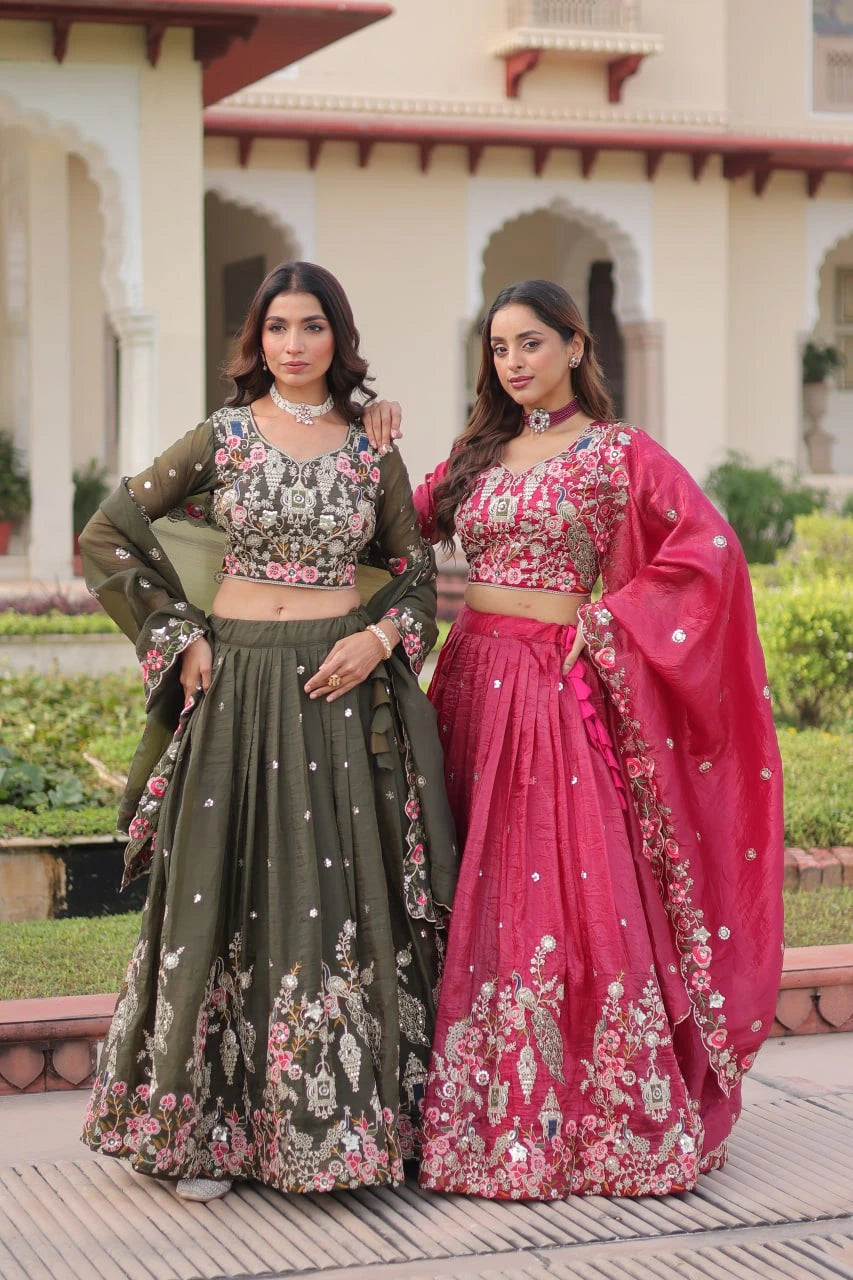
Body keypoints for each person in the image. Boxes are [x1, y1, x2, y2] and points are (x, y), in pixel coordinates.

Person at [364, 279, 783, 1200]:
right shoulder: (476, 455)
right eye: (498, 349)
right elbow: (392, 527)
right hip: (465, 686)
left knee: (550, 886)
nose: (512, 364)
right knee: (453, 882)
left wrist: (607, 628)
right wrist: (367, 432)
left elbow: (706, 554)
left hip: (554, 690)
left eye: (529, 344)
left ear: (575, 345)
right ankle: (444, 1106)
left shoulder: (617, 452)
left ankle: (578, 1120)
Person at [79, 261, 457, 1201]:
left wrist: (377, 641)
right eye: (279, 327)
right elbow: (108, 533)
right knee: (224, 881)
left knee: (330, 893)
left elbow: (415, 576)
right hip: (237, 680)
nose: (295, 344)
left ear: (339, 336)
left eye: (313, 326)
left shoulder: (372, 450)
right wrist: (177, 637)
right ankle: (204, 1133)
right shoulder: (223, 437)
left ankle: (340, 1124)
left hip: (334, 687)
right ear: (258, 340)